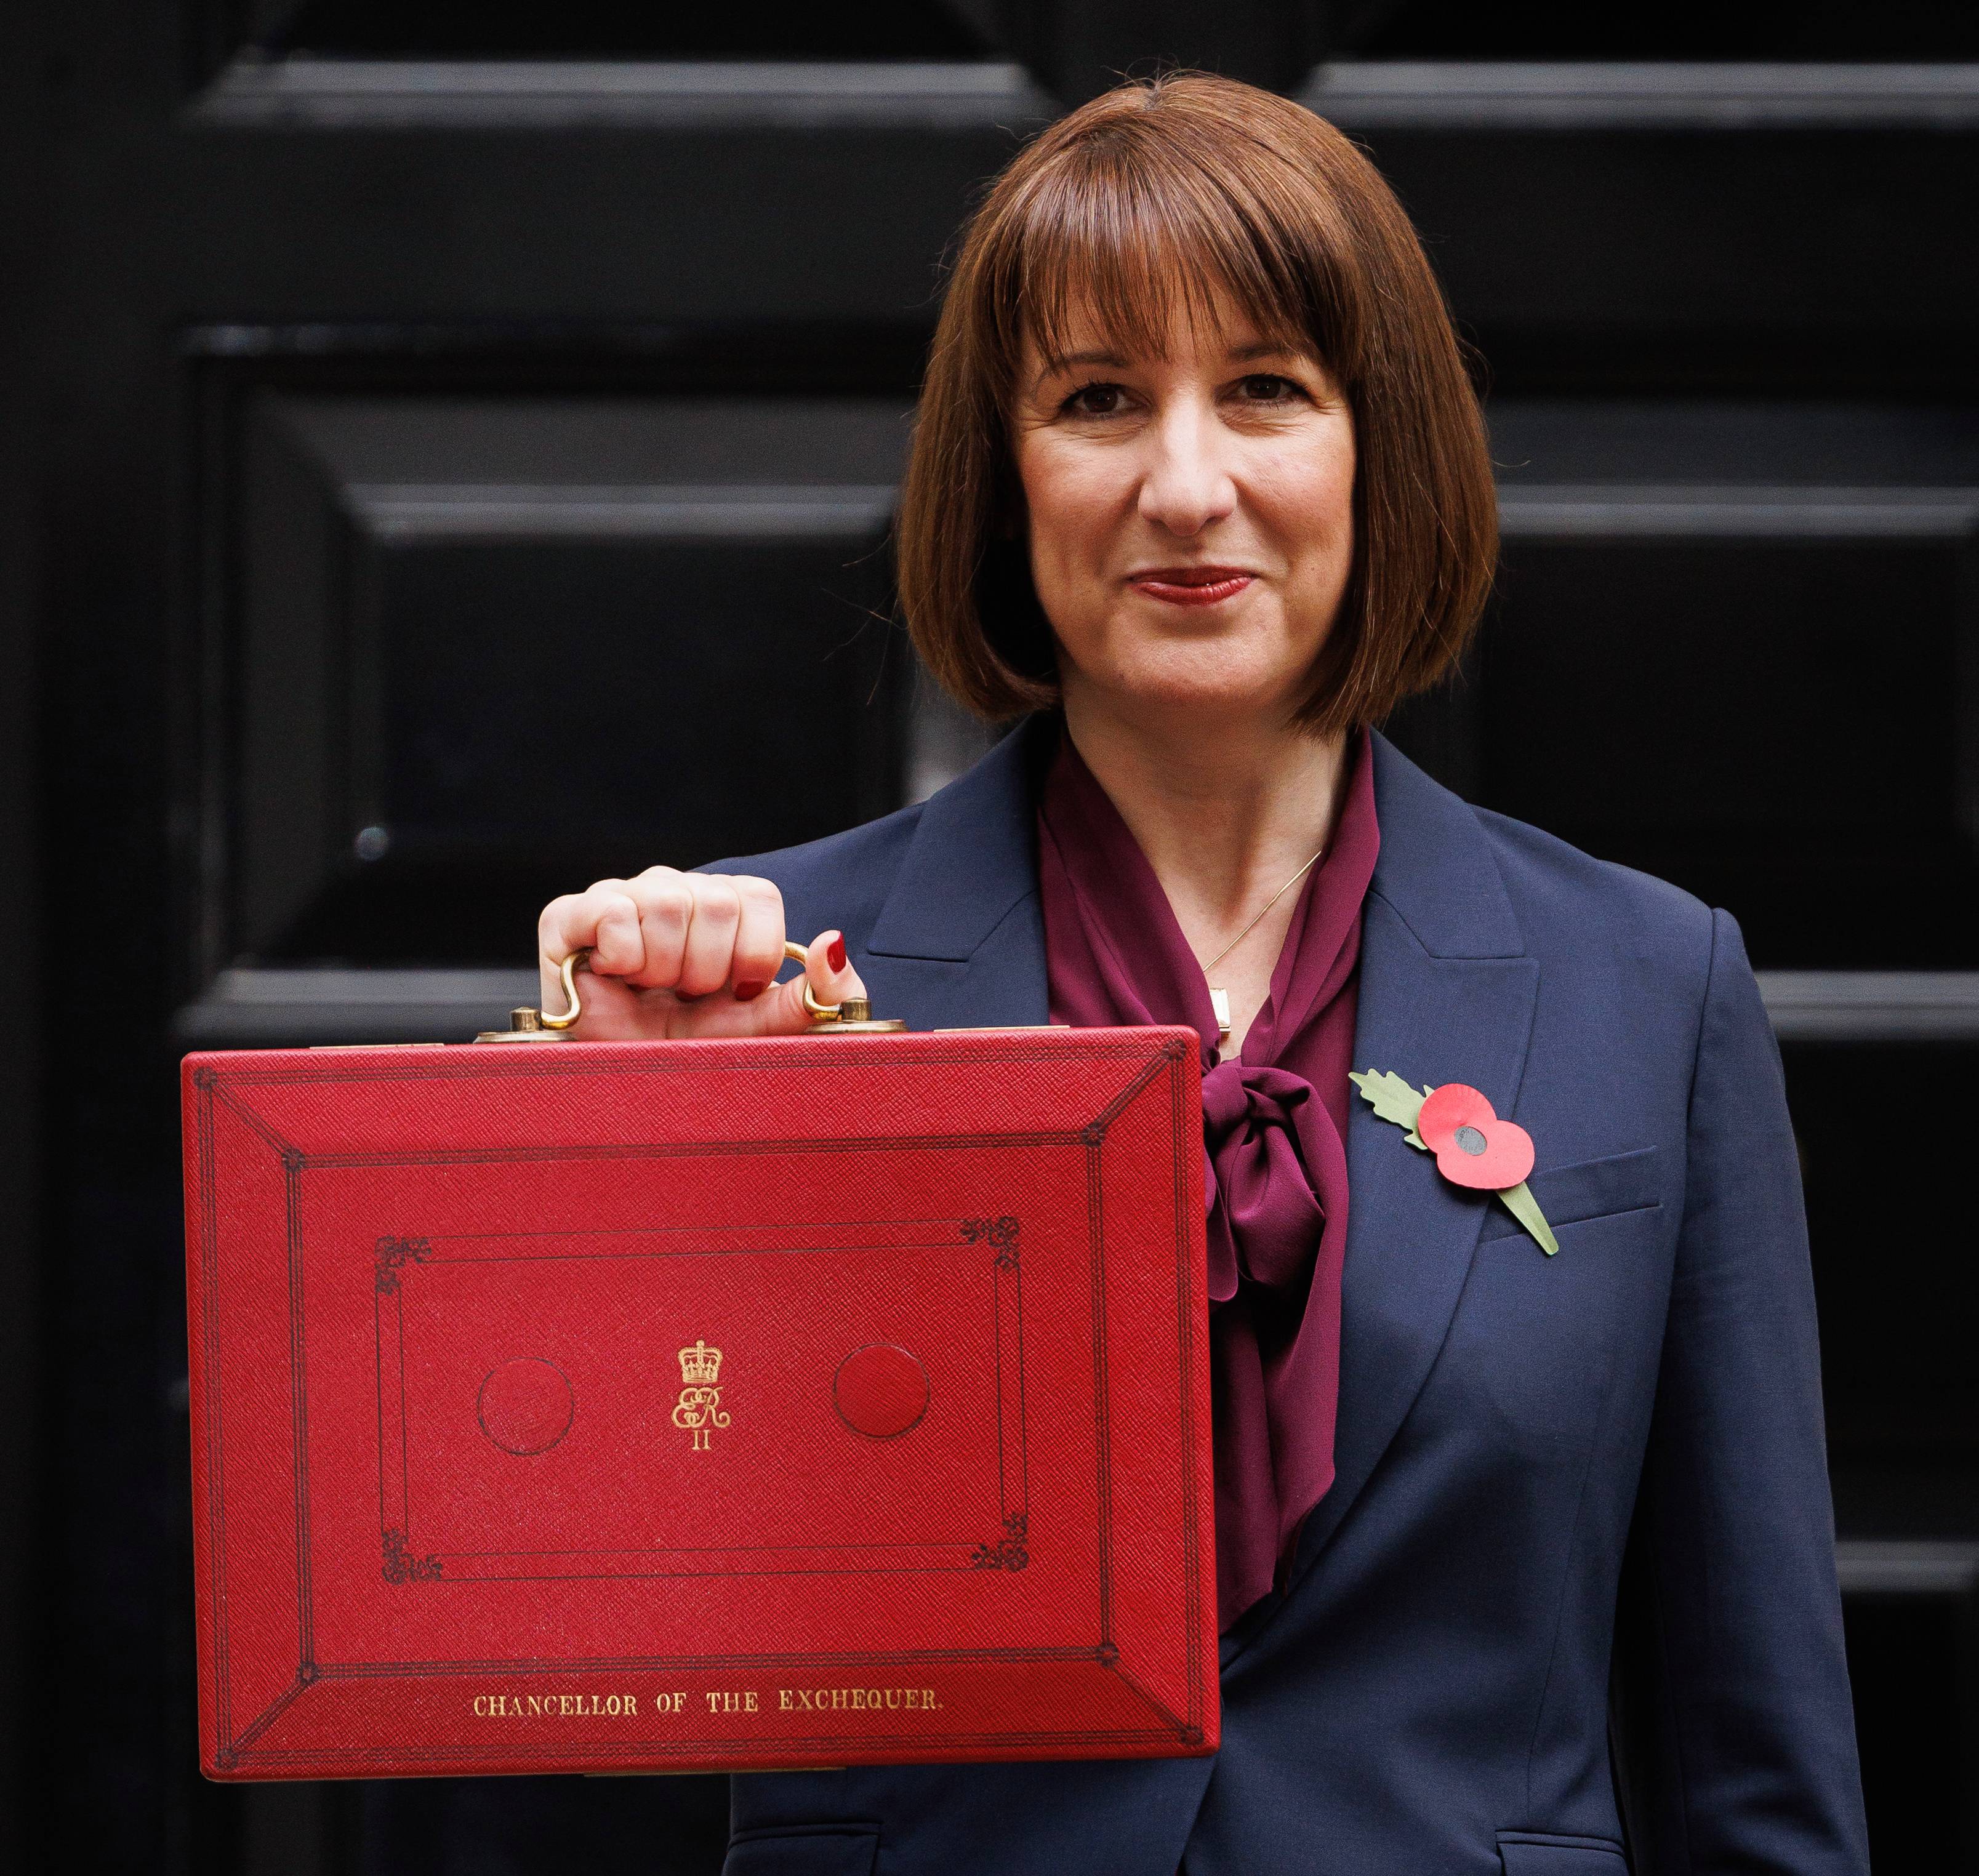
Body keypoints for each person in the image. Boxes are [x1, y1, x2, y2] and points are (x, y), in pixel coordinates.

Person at [537, 73, 1868, 1876]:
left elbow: (1754, 1753)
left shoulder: (1651, 983)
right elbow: (553, 1646)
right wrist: (596, 1143)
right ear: (1004, 480)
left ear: (1374, 447)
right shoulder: (764, 980)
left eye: (1266, 389)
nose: (1186, 483)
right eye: (1098, 400)